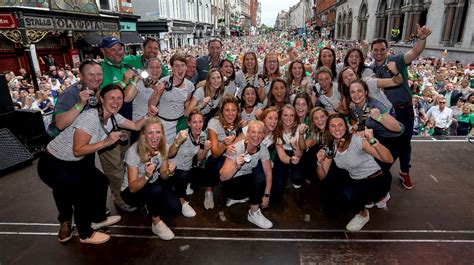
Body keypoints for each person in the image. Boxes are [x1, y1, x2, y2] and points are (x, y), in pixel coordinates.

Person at [37, 84, 154, 244]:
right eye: (111, 98)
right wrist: (106, 141)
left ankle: (97, 219)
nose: (116, 101)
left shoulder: (113, 116)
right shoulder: (90, 117)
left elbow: (134, 126)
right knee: (81, 193)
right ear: (101, 99)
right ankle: (85, 234)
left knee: (100, 181)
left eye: (119, 98)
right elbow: (78, 150)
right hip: (52, 163)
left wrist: (149, 114)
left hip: (73, 162)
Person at [370, 24, 432, 189]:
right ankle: (379, 170)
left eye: (381, 49)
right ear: (371, 51)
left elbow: (415, 51)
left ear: (387, 49)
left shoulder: (396, 60)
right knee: (382, 140)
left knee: (405, 142)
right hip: (384, 112)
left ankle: (405, 171)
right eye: (375, 50)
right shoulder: (370, 69)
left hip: (403, 109)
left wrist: (421, 38)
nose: (378, 52)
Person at [316, 113, 393, 231]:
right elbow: (322, 176)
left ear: (346, 127)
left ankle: (364, 214)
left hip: (376, 180)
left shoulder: (357, 140)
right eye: (333, 126)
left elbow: (389, 159)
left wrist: (372, 140)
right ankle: (367, 199)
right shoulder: (331, 146)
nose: (337, 129)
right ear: (328, 129)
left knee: (348, 195)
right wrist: (319, 162)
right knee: (330, 211)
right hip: (356, 180)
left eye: (340, 125)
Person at [121, 117, 181, 240]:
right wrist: (147, 175)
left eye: (158, 132)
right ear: (143, 135)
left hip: (153, 183)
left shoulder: (163, 146)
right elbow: (132, 188)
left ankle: (151, 204)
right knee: (156, 190)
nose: (155, 136)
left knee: (175, 208)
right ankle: (156, 222)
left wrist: (169, 171)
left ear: (162, 133)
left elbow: (163, 174)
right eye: (150, 133)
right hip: (132, 192)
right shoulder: (134, 151)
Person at [99, 36, 138, 212]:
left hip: (125, 124)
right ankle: (119, 198)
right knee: (113, 166)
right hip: (108, 126)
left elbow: (128, 97)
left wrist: (134, 80)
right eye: (112, 49)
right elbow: (103, 95)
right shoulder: (100, 69)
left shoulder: (126, 67)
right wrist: (123, 81)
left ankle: (123, 192)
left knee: (124, 160)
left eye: (120, 49)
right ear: (103, 51)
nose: (117, 52)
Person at [220, 120, 273, 229]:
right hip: (230, 187)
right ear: (248, 133)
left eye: (259, 133)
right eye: (253, 132)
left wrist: (266, 195)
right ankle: (253, 213)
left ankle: (243, 200)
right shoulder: (237, 148)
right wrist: (236, 165)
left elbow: (268, 173)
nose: (256, 136)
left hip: (245, 184)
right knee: (256, 180)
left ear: (263, 135)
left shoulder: (262, 149)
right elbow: (222, 177)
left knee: (260, 177)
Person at [168, 110, 212, 218]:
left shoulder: (202, 135)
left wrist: (205, 150)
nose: (198, 125)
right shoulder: (183, 134)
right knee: (183, 175)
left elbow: (199, 158)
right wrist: (178, 141)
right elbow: (170, 154)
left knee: (209, 175)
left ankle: (185, 185)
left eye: (200, 122)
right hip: (174, 169)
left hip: (189, 168)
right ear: (189, 123)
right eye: (194, 122)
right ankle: (182, 202)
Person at [205, 94, 243, 209]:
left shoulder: (239, 123)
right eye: (227, 110)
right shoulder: (214, 122)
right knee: (215, 164)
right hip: (216, 153)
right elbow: (215, 152)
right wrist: (225, 145)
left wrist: (243, 131)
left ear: (237, 111)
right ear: (221, 111)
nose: (230, 114)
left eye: (233, 110)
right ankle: (209, 190)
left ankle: (231, 191)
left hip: (231, 153)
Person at [47, 60, 102, 138]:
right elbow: (60, 125)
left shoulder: (98, 91)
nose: (96, 78)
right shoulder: (69, 94)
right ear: (81, 75)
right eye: (91, 74)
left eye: (99, 74)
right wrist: (80, 104)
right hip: (65, 144)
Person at [148, 52, 195, 144]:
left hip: (179, 124)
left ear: (186, 67)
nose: (180, 69)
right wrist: (158, 92)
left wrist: (195, 106)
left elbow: (186, 103)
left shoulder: (190, 85)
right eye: (176, 65)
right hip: (162, 124)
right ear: (172, 68)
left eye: (183, 65)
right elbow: (151, 104)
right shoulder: (163, 81)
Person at [271, 104, 304, 203]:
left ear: (295, 117)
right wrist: (290, 160)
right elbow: (281, 155)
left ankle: (295, 180)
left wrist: (294, 146)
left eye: (292, 115)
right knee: (276, 193)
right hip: (283, 154)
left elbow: (299, 155)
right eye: (285, 115)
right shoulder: (277, 130)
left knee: (297, 178)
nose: (288, 118)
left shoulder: (299, 129)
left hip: (297, 152)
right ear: (280, 116)